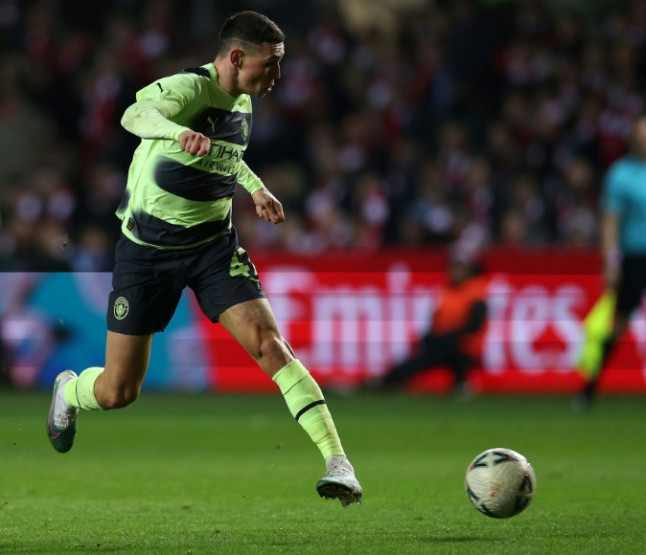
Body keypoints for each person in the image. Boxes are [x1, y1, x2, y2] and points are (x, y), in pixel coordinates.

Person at [46, 11, 362, 507]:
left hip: (213, 246)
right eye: (270, 65)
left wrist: (256, 189)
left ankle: (337, 461)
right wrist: (175, 134)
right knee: (117, 392)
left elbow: (226, 155)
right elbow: (135, 115)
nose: (277, 77)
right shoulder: (187, 89)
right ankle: (69, 391)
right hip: (148, 252)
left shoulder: (243, 98)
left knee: (269, 344)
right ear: (236, 57)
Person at [575, 115, 646, 409]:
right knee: (619, 326)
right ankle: (590, 386)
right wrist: (610, 259)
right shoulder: (621, 174)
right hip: (635, 257)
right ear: (633, 141)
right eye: (640, 136)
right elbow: (611, 220)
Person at [377, 257, 488, 396]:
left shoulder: (475, 292)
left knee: (433, 358)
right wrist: (431, 337)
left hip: (463, 346)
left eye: (460, 270)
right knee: (423, 358)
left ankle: (387, 381)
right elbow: (437, 319)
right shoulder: (447, 291)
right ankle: (389, 380)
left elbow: (474, 326)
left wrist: (445, 337)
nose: (454, 273)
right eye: (453, 269)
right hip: (445, 343)